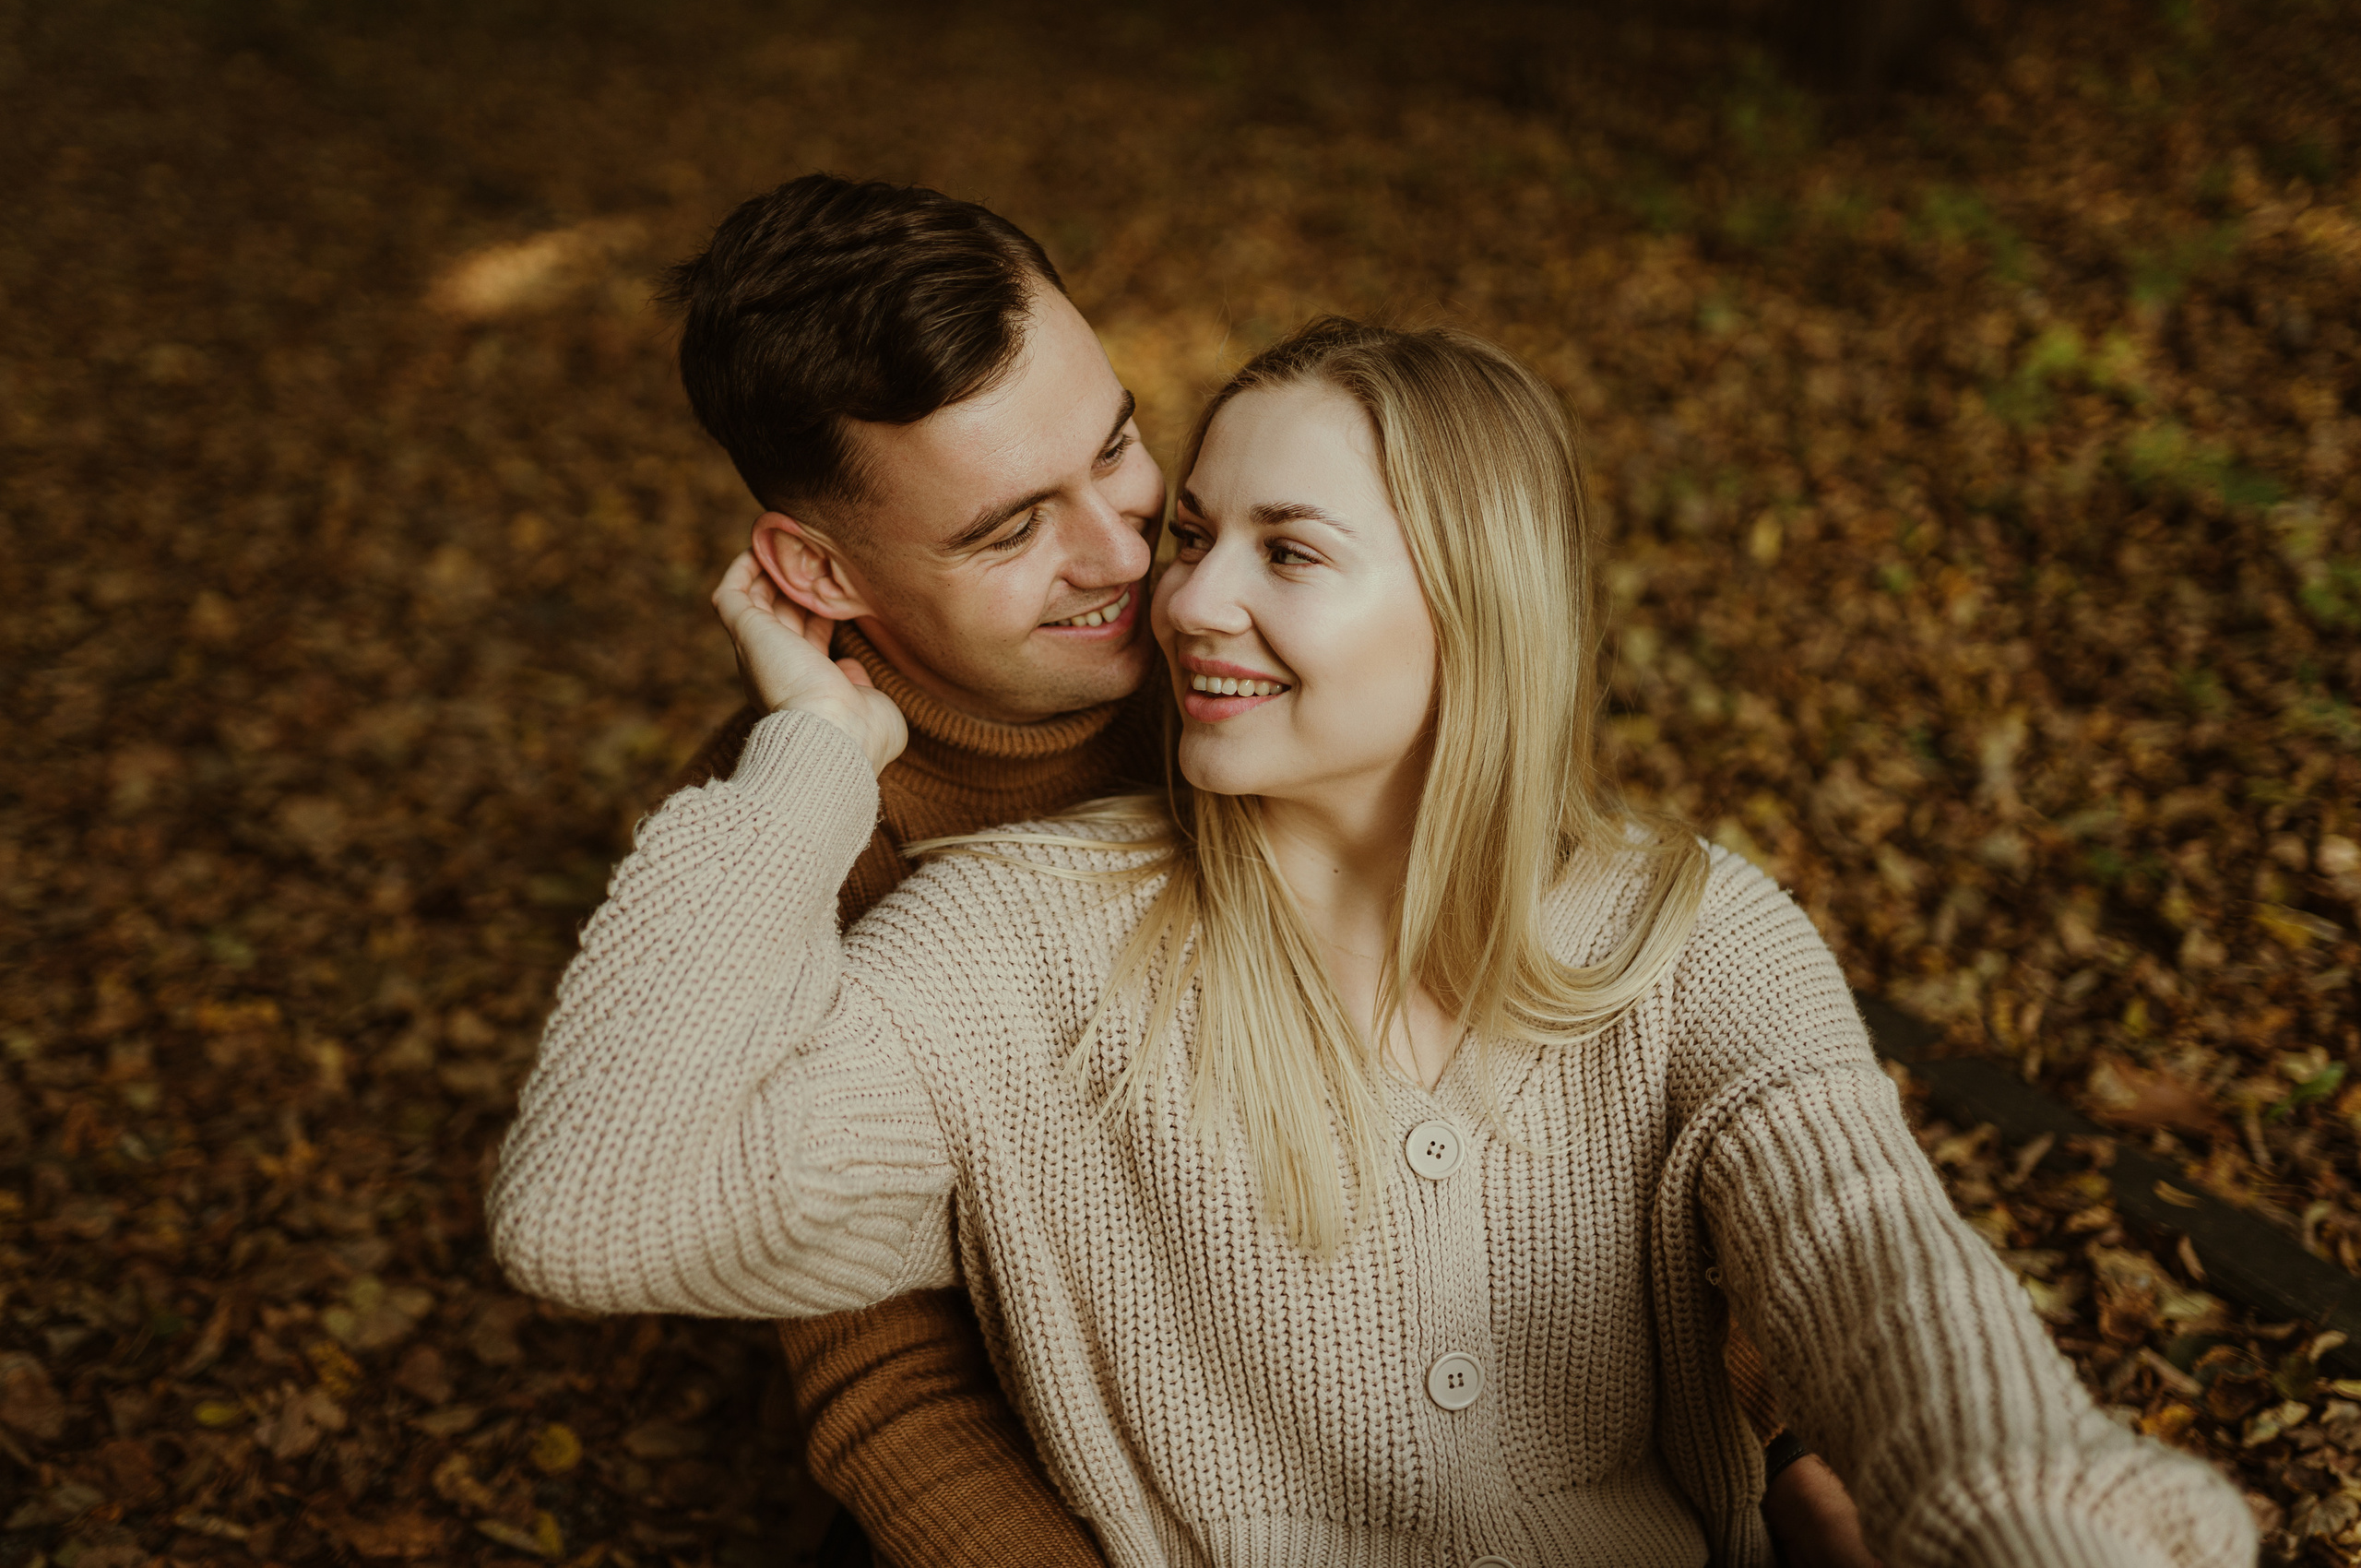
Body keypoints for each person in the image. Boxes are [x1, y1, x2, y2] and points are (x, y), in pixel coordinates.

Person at [491, 315, 2253, 1565]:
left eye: (1286, 548)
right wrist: (808, 752)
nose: (1178, 595)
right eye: (1195, 536)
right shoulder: (1013, 945)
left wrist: (2042, 1521)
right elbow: (593, 1208)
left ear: (1472, 605)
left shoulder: (1683, 932)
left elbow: (1886, 1280)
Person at [651, 174, 1871, 1568]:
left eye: (1115, 449)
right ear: (821, 572)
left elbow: (1578, 1116)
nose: (1131, 564)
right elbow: (890, 1379)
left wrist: (1786, 1448)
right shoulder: (793, 851)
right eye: (1006, 532)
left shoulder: (1264, 630)